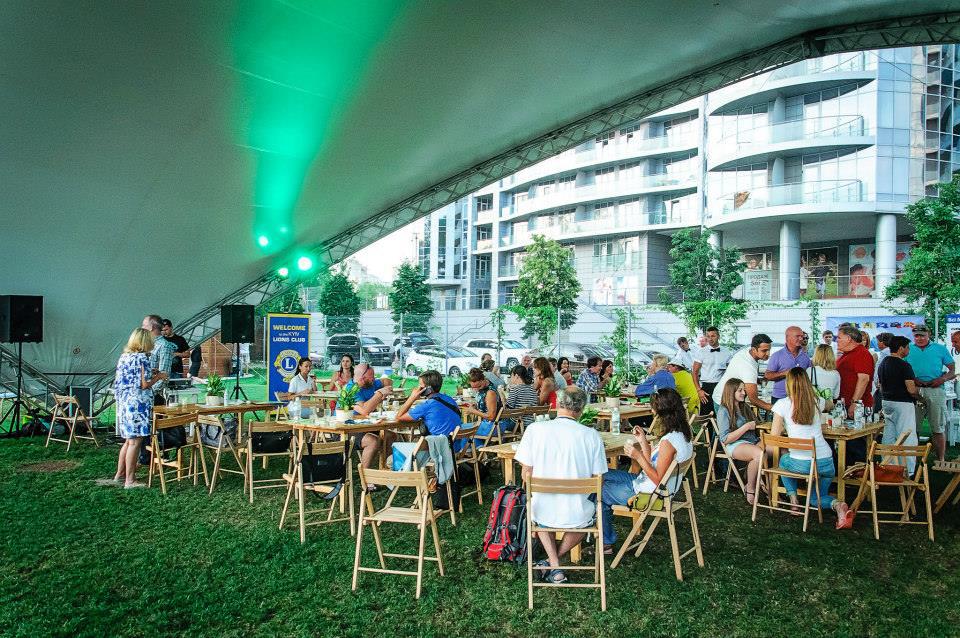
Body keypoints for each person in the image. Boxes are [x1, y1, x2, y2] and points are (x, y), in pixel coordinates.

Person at [515, 386, 606, 583]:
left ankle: (553, 563)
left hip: (541, 510)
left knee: (539, 505)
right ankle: (555, 563)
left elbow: (525, 474)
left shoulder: (534, 430)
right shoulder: (591, 435)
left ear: (556, 404)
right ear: (581, 409)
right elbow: (598, 479)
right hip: (578, 514)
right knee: (591, 511)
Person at [600, 388, 693, 553]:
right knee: (601, 474)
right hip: (649, 485)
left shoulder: (669, 442)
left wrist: (637, 456)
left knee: (597, 489)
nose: (651, 411)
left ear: (661, 411)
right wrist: (643, 441)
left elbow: (659, 480)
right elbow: (654, 465)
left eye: (653, 407)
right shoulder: (683, 435)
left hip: (648, 494)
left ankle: (605, 543)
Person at [770, 369, 850, 525]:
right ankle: (838, 505)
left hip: (802, 464)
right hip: (826, 462)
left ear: (788, 384)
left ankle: (793, 499)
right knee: (815, 499)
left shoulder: (782, 404)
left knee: (783, 460)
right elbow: (831, 404)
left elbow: (774, 437)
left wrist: (787, 428)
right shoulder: (817, 401)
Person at [112, 328, 166, 488]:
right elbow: (144, 384)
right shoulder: (143, 358)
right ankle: (130, 480)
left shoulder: (124, 357)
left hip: (125, 403)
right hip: (137, 405)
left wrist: (150, 372)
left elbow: (130, 377)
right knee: (135, 442)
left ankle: (120, 475)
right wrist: (158, 376)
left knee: (128, 441)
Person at [904, 325, 955, 462]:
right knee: (913, 427)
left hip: (936, 390)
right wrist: (913, 379)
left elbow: (952, 370)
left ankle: (941, 460)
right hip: (914, 390)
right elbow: (902, 368)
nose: (919, 338)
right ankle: (912, 460)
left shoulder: (940, 348)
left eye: (922, 335)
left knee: (938, 427)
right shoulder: (908, 349)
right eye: (916, 335)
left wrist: (941, 379)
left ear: (929, 335)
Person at [715, 378, 764, 504]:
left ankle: (772, 488)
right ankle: (750, 488)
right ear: (731, 392)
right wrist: (746, 427)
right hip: (735, 444)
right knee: (759, 454)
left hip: (753, 441)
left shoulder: (744, 406)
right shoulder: (724, 410)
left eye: (744, 390)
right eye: (740, 390)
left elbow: (757, 424)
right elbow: (725, 439)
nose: (744, 393)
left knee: (778, 450)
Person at [396, 370, 464, 457]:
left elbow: (399, 417)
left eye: (420, 386)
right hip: (455, 447)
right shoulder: (450, 400)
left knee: (396, 447)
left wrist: (412, 397)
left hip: (439, 450)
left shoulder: (427, 405)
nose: (418, 388)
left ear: (428, 389)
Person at [877, 336, 920, 473]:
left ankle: (887, 466)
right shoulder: (904, 365)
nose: (909, 350)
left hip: (886, 401)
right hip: (903, 403)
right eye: (907, 347)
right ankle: (908, 470)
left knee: (888, 435)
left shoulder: (883, 363)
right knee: (907, 436)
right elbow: (911, 389)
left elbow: (880, 385)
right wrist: (920, 397)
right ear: (901, 348)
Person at [712, 334, 773, 413]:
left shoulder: (747, 351)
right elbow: (754, 400)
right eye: (764, 351)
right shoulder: (748, 367)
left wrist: (758, 380)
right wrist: (776, 409)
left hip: (728, 397)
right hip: (724, 401)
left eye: (769, 350)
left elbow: (743, 375)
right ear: (754, 349)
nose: (768, 354)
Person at [348, 363, 392, 472]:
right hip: (348, 427)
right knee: (372, 441)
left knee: (390, 436)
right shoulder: (351, 389)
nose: (374, 378)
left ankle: (385, 470)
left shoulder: (371, 383)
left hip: (366, 425)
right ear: (362, 378)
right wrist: (379, 394)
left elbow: (388, 381)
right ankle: (365, 476)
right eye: (371, 376)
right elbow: (365, 410)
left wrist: (386, 386)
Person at [764, 326, 812, 404]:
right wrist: (786, 373)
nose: (801, 339)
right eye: (797, 336)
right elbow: (767, 376)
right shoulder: (777, 355)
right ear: (787, 338)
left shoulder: (806, 357)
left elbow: (809, 378)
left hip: (800, 399)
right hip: (780, 398)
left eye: (801, 336)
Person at [693, 326, 732, 416]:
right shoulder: (701, 352)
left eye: (713, 336)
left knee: (722, 414)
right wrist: (699, 390)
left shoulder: (727, 352)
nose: (710, 339)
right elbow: (694, 372)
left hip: (721, 386)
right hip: (706, 387)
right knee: (706, 416)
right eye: (708, 336)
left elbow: (730, 371)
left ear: (718, 336)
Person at [463, 367, 503, 445]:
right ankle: (477, 447)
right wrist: (476, 406)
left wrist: (473, 411)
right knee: (467, 428)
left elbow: (491, 416)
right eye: (474, 388)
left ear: (483, 380)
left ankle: (466, 449)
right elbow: (487, 405)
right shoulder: (485, 387)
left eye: (479, 386)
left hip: (494, 427)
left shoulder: (490, 392)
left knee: (461, 429)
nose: (477, 390)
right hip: (492, 425)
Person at [142, 314, 174, 405]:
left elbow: (164, 374)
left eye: (144, 325)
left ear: (151, 327)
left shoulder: (164, 345)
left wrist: (150, 392)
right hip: (143, 393)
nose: (142, 328)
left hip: (153, 396)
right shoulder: (147, 344)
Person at [807, 345, 840, 410]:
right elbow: (836, 396)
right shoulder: (836, 374)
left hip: (813, 409)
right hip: (828, 409)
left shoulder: (810, 371)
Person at [506, 364, 539, 428]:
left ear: (516, 376)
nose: (511, 379)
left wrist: (503, 398)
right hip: (531, 423)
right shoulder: (532, 389)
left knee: (498, 422)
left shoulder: (515, 389)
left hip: (517, 423)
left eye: (511, 376)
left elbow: (508, 408)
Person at [873, 332, 893, 411]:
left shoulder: (887, 354)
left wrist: (881, 381)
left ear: (882, 342)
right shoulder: (884, 353)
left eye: (878, 341)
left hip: (884, 388)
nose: (877, 343)